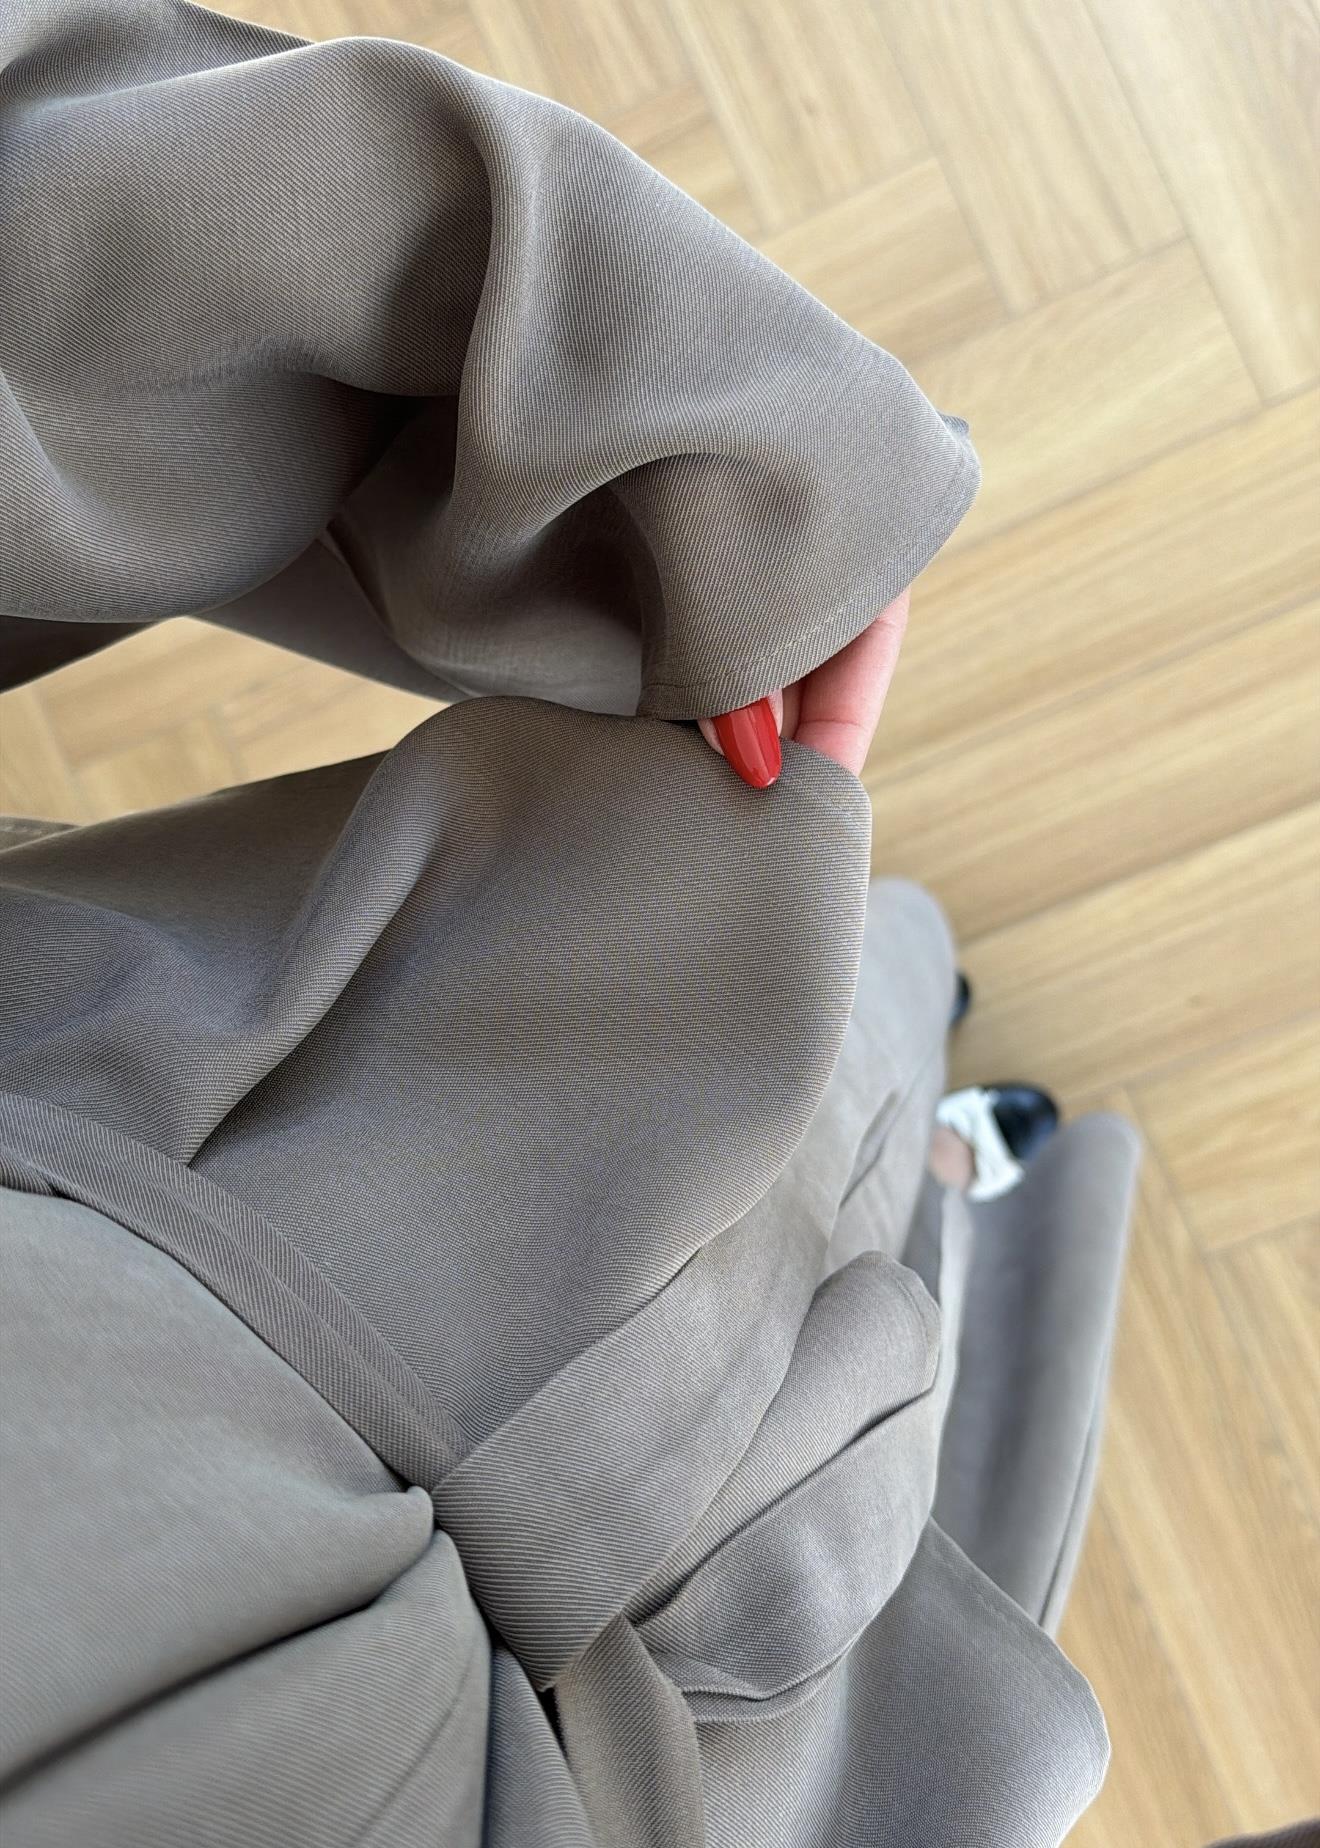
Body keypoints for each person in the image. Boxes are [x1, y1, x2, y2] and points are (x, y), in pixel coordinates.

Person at [1, 5, 1141, 1844]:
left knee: (832, 1047)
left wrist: (666, 432)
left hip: (386, 1102)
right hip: (680, 1739)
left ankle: (928, 1102)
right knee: (896, 1391)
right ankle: (952, 1167)